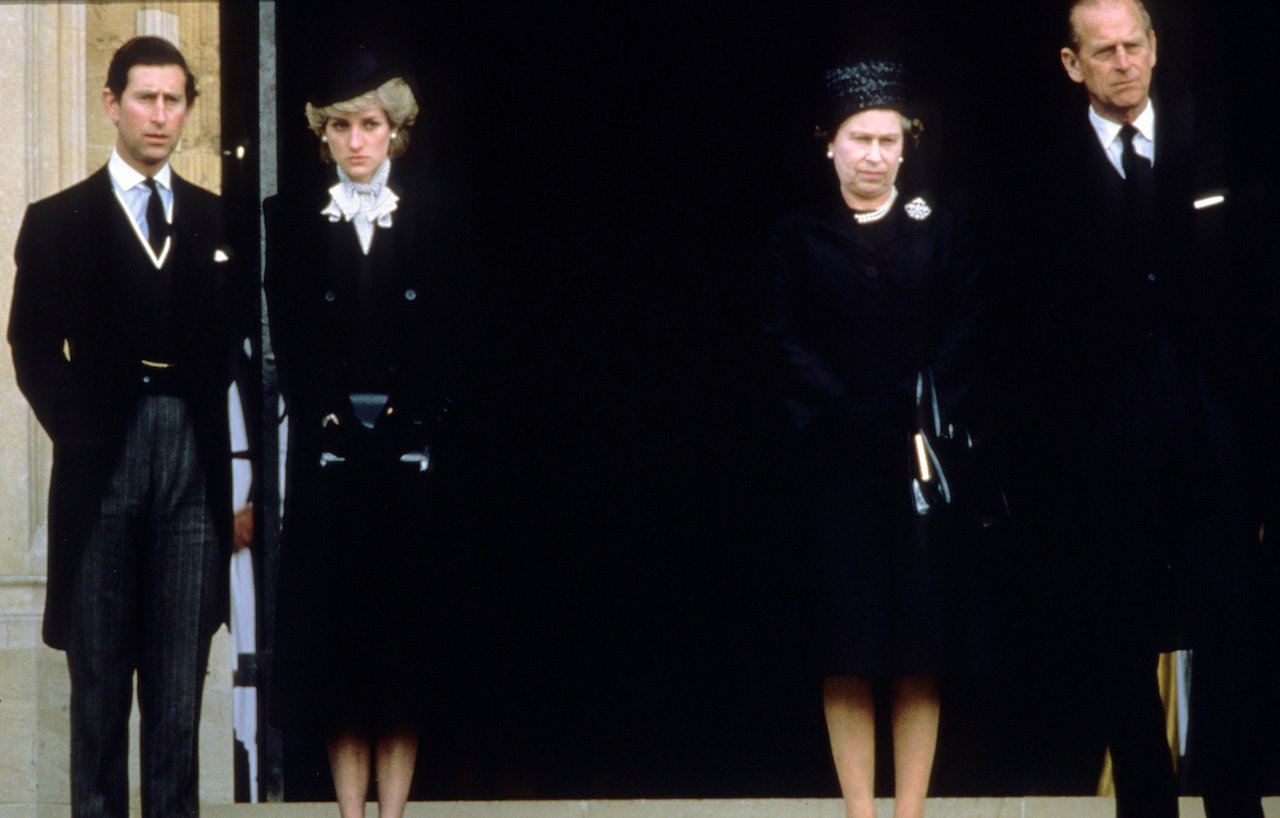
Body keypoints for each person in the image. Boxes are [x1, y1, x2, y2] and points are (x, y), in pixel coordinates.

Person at [998, 1, 1265, 814]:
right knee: (1115, 624)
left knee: (1230, 615)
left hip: (1207, 417)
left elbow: (1257, 294)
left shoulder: (1215, 143)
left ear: (1156, 48)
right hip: (1099, 431)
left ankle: (1231, 795)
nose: (1123, 63)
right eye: (1103, 51)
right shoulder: (1036, 170)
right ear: (1072, 64)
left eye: (1134, 45)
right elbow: (1021, 320)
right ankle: (1144, 800)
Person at [7, 36, 241, 818]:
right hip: (99, 462)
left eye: (174, 100)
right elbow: (30, 343)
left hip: (190, 469)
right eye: (145, 97)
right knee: (100, 689)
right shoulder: (57, 221)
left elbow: (240, 350)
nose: (159, 115)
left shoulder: (217, 221)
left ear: (188, 110)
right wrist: (77, 429)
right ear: (111, 103)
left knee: (177, 691)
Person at [766, 60, 983, 818]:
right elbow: (780, 336)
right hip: (834, 463)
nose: (875, 154)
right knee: (847, 645)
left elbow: (965, 330)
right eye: (860, 138)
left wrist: (909, 404)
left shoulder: (942, 229)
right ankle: (862, 811)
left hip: (917, 459)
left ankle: (910, 811)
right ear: (829, 144)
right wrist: (845, 406)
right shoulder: (797, 236)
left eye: (890, 140)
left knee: (921, 645)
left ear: (907, 146)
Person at [264, 46, 455, 818]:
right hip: (332, 452)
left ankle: (395, 812)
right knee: (339, 651)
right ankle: (350, 814)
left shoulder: (435, 214)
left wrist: (412, 421)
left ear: (395, 132)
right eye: (340, 126)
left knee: (401, 649)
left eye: (369, 124)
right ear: (324, 135)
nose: (355, 141)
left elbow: (452, 331)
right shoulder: (291, 218)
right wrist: (332, 419)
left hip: (407, 454)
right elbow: (294, 331)